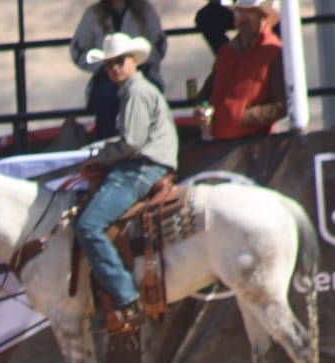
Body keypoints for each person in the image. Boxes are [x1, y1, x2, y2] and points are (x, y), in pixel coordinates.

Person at [76, 33, 178, 333]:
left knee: (88, 226)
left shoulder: (136, 92)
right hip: (146, 164)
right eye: (109, 64)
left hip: (141, 168)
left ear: (134, 61)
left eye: (120, 62)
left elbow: (132, 142)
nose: (114, 68)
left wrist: (102, 156)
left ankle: (126, 296)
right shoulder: (135, 90)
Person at [70, 1, 167, 140]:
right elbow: (78, 50)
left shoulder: (145, 10)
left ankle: (152, 139)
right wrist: (105, 66)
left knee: (149, 90)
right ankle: (106, 141)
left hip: (142, 72)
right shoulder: (94, 14)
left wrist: (137, 63)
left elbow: (159, 45)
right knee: (105, 94)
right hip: (107, 77)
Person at [196, 0, 286, 140]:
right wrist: (201, 109)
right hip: (218, 141)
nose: (243, 18)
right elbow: (207, 92)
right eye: (239, 13)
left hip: (253, 143)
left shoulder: (274, 52)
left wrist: (243, 117)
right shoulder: (226, 52)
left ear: (264, 16)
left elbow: (281, 105)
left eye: (250, 12)